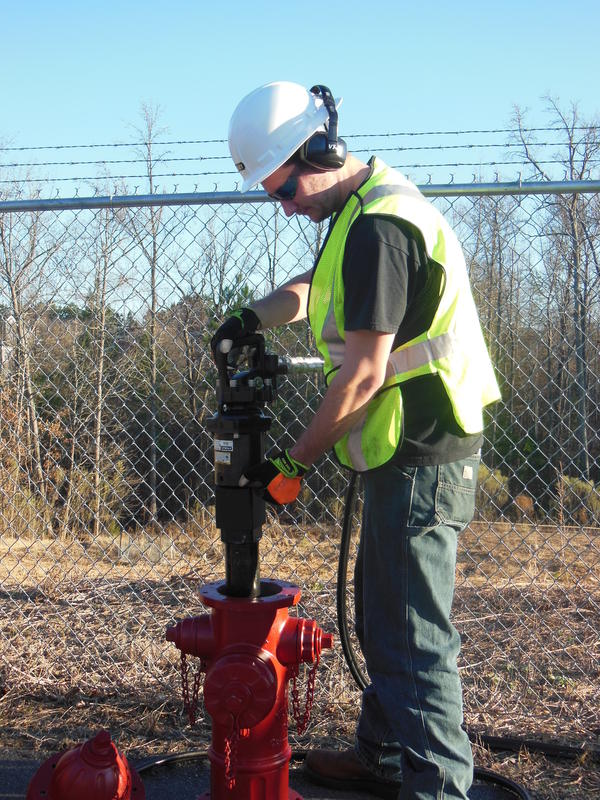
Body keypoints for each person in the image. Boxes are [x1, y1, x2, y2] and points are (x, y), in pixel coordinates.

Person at [212, 81, 501, 800]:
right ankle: (382, 754)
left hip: (423, 451)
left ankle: (438, 786)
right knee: (383, 614)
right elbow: (317, 285)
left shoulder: (381, 226)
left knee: (409, 634)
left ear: (323, 151)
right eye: (272, 193)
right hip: (401, 449)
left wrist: (294, 463)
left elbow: (365, 374)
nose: (286, 204)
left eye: (285, 186)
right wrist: (250, 317)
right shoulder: (359, 214)